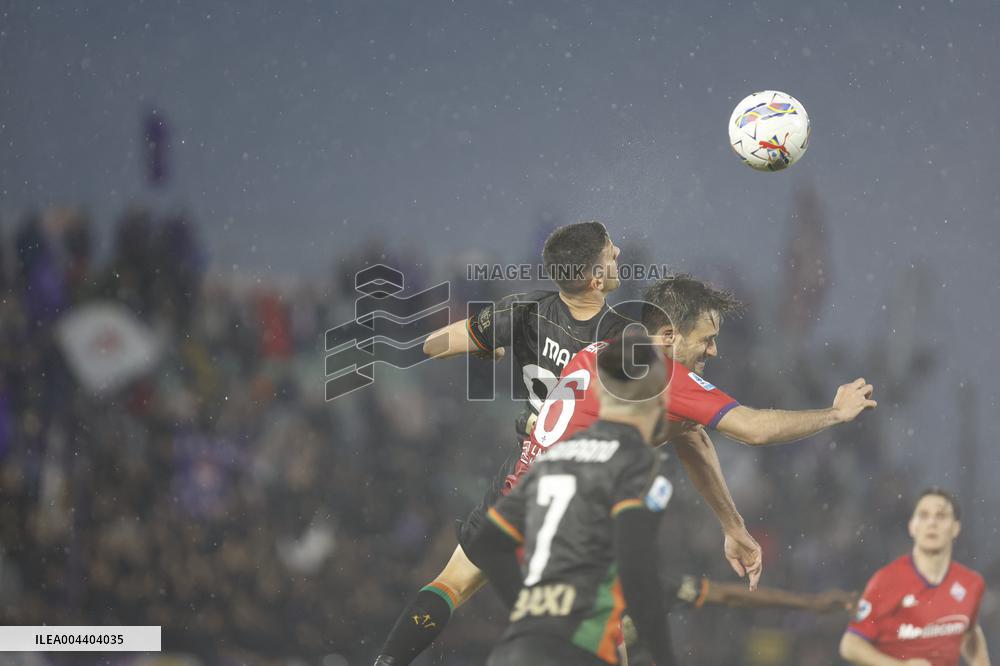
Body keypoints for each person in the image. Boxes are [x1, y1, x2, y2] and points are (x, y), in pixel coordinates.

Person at [374, 221, 638, 665]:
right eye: (612, 253)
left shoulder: (524, 309)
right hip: (572, 501)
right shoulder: (621, 337)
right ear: (595, 278)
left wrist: (486, 347)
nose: (619, 255)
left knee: (451, 582)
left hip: (518, 482)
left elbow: (434, 344)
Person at [471, 334, 677, 665]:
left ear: (596, 391)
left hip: (515, 652)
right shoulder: (643, 463)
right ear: (660, 398)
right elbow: (637, 570)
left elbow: (488, 542)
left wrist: (527, 611)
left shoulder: (555, 459)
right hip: (579, 650)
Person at [839, 488, 991, 666]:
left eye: (941, 516)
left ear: (956, 528)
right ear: (912, 526)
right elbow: (850, 645)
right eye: (924, 515)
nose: (932, 523)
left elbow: (969, 633)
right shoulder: (887, 580)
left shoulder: (971, 584)